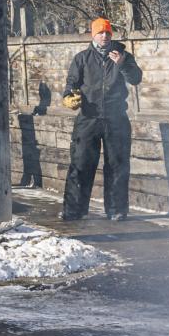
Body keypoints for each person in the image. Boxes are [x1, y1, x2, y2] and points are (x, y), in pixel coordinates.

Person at [61, 17, 143, 222]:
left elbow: (136, 79)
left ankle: (116, 209)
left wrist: (122, 65)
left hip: (116, 119)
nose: (104, 36)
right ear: (93, 35)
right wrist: (69, 97)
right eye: (100, 32)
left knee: (117, 165)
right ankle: (74, 210)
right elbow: (71, 83)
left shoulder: (123, 56)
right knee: (81, 163)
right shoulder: (82, 58)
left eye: (107, 32)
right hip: (88, 118)